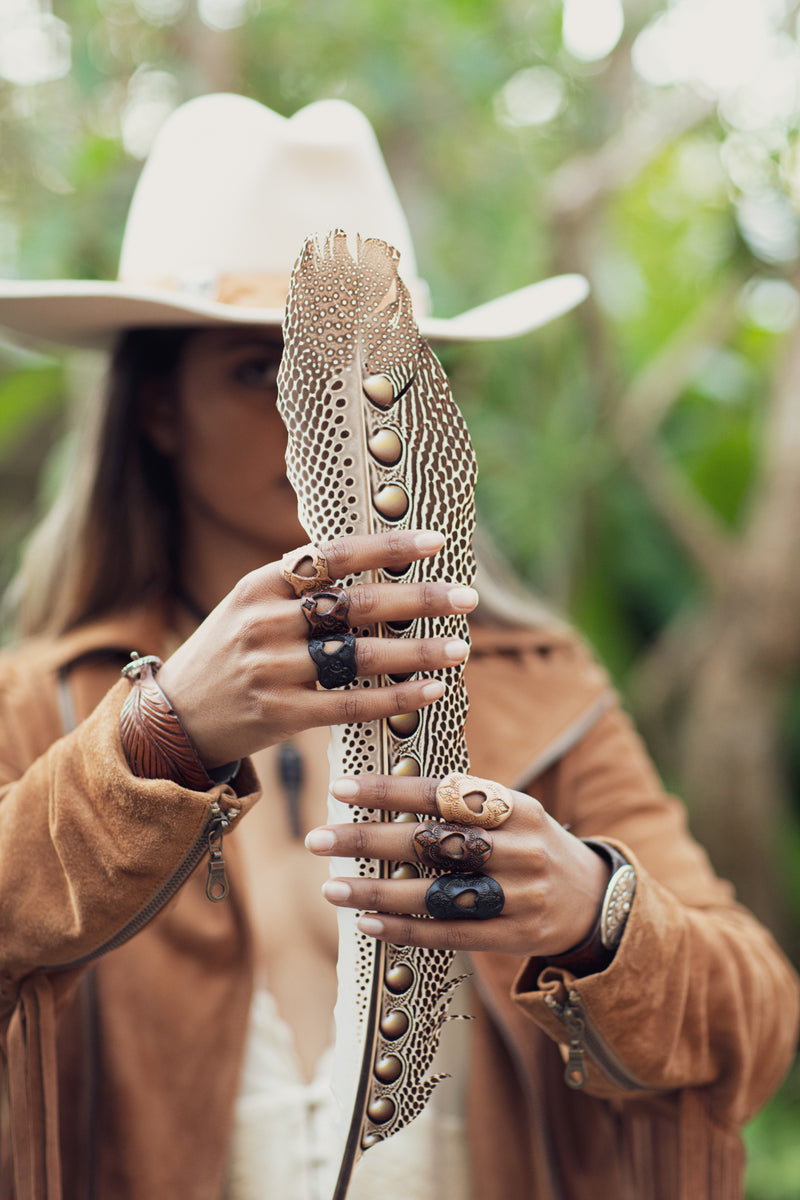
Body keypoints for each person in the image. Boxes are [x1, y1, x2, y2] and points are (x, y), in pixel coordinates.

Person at [0, 93, 796, 1200]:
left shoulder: (538, 687)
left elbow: (752, 1019)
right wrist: (159, 736)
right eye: (258, 369)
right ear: (157, 410)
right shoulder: (38, 708)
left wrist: (591, 909)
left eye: (370, 364)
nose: (326, 407)